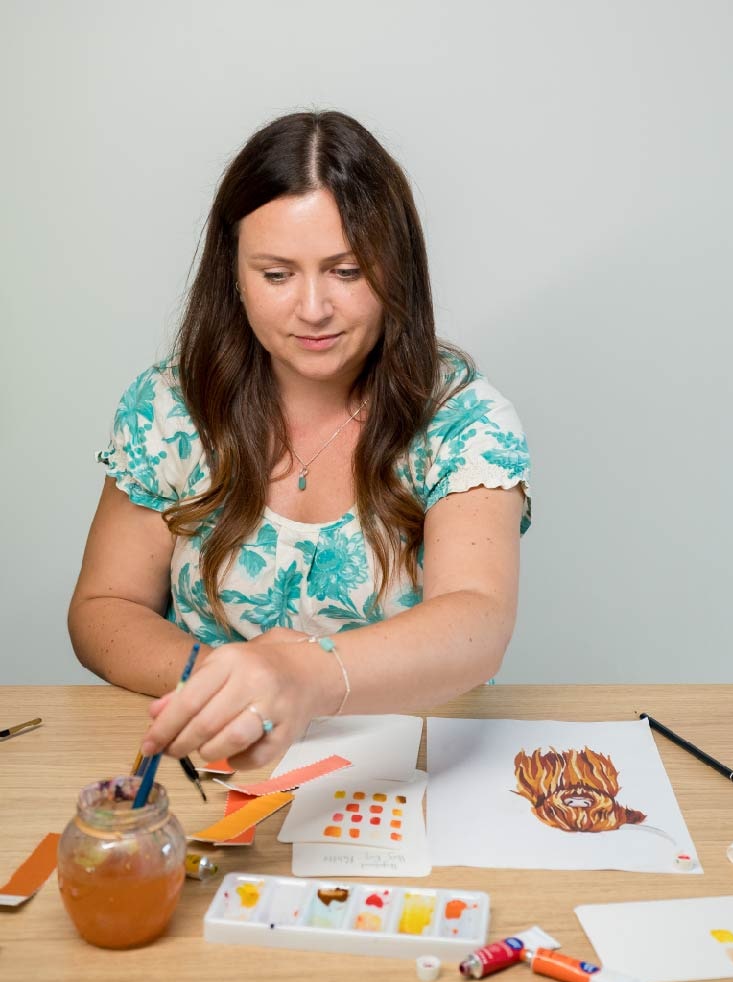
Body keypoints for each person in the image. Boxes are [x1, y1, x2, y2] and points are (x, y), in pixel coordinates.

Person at [68, 110, 531, 771]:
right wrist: (235, 687)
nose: (313, 308)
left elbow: (478, 617)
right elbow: (102, 607)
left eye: (345, 271)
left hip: (413, 774)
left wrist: (303, 675)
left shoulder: (463, 418)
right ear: (233, 272)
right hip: (216, 764)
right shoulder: (168, 407)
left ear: (394, 269)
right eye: (277, 274)